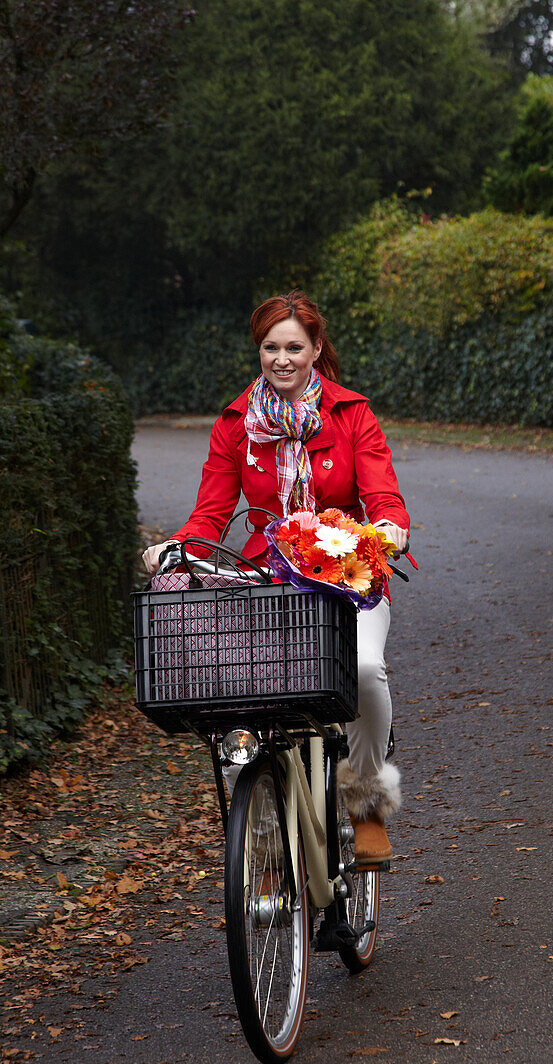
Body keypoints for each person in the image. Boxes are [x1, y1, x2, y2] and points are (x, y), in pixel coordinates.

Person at [142, 291, 410, 865]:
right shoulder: (237, 423)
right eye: (270, 347)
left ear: (316, 350)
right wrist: (176, 547)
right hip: (265, 579)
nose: (281, 359)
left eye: (294, 347)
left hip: (346, 574)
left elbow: (382, 494)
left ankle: (364, 805)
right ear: (258, 350)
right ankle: (265, 799)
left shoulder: (350, 414)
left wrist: (388, 528)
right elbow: (212, 510)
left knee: (363, 670)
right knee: (240, 680)